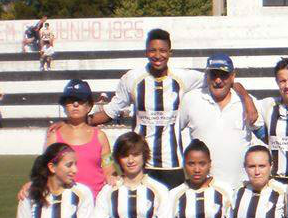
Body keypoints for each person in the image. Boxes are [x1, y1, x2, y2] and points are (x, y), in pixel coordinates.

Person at [86, 30, 204, 189]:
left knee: (170, 212)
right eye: (152, 50)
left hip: (172, 163)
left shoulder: (183, 77)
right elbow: (111, 111)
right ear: (146, 52)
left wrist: (246, 98)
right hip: (140, 161)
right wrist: (79, 122)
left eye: (162, 50)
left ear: (170, 52)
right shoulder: (132, 78)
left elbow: (220, 79)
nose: (157, 55)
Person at [178, 54, 262, 186]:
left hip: (239, 188)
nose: (218, 80)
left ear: (233, 76)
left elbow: (266, 136)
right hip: (203, 189)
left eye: (223, 75)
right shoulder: (191, 99)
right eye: (213, 74)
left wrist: (246, 98)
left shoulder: (246, 102)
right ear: (207, 76)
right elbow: (174, 133)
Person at [44, 80, 115, 197]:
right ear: (64, 106)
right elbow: (45, 169)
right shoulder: (54, 136)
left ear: (89, 106)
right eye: (70, 101)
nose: (75, 104)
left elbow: (109, 169)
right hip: (65, 202)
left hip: (95, 203)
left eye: (80, 101)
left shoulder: (100, 136)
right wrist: (33, 185)